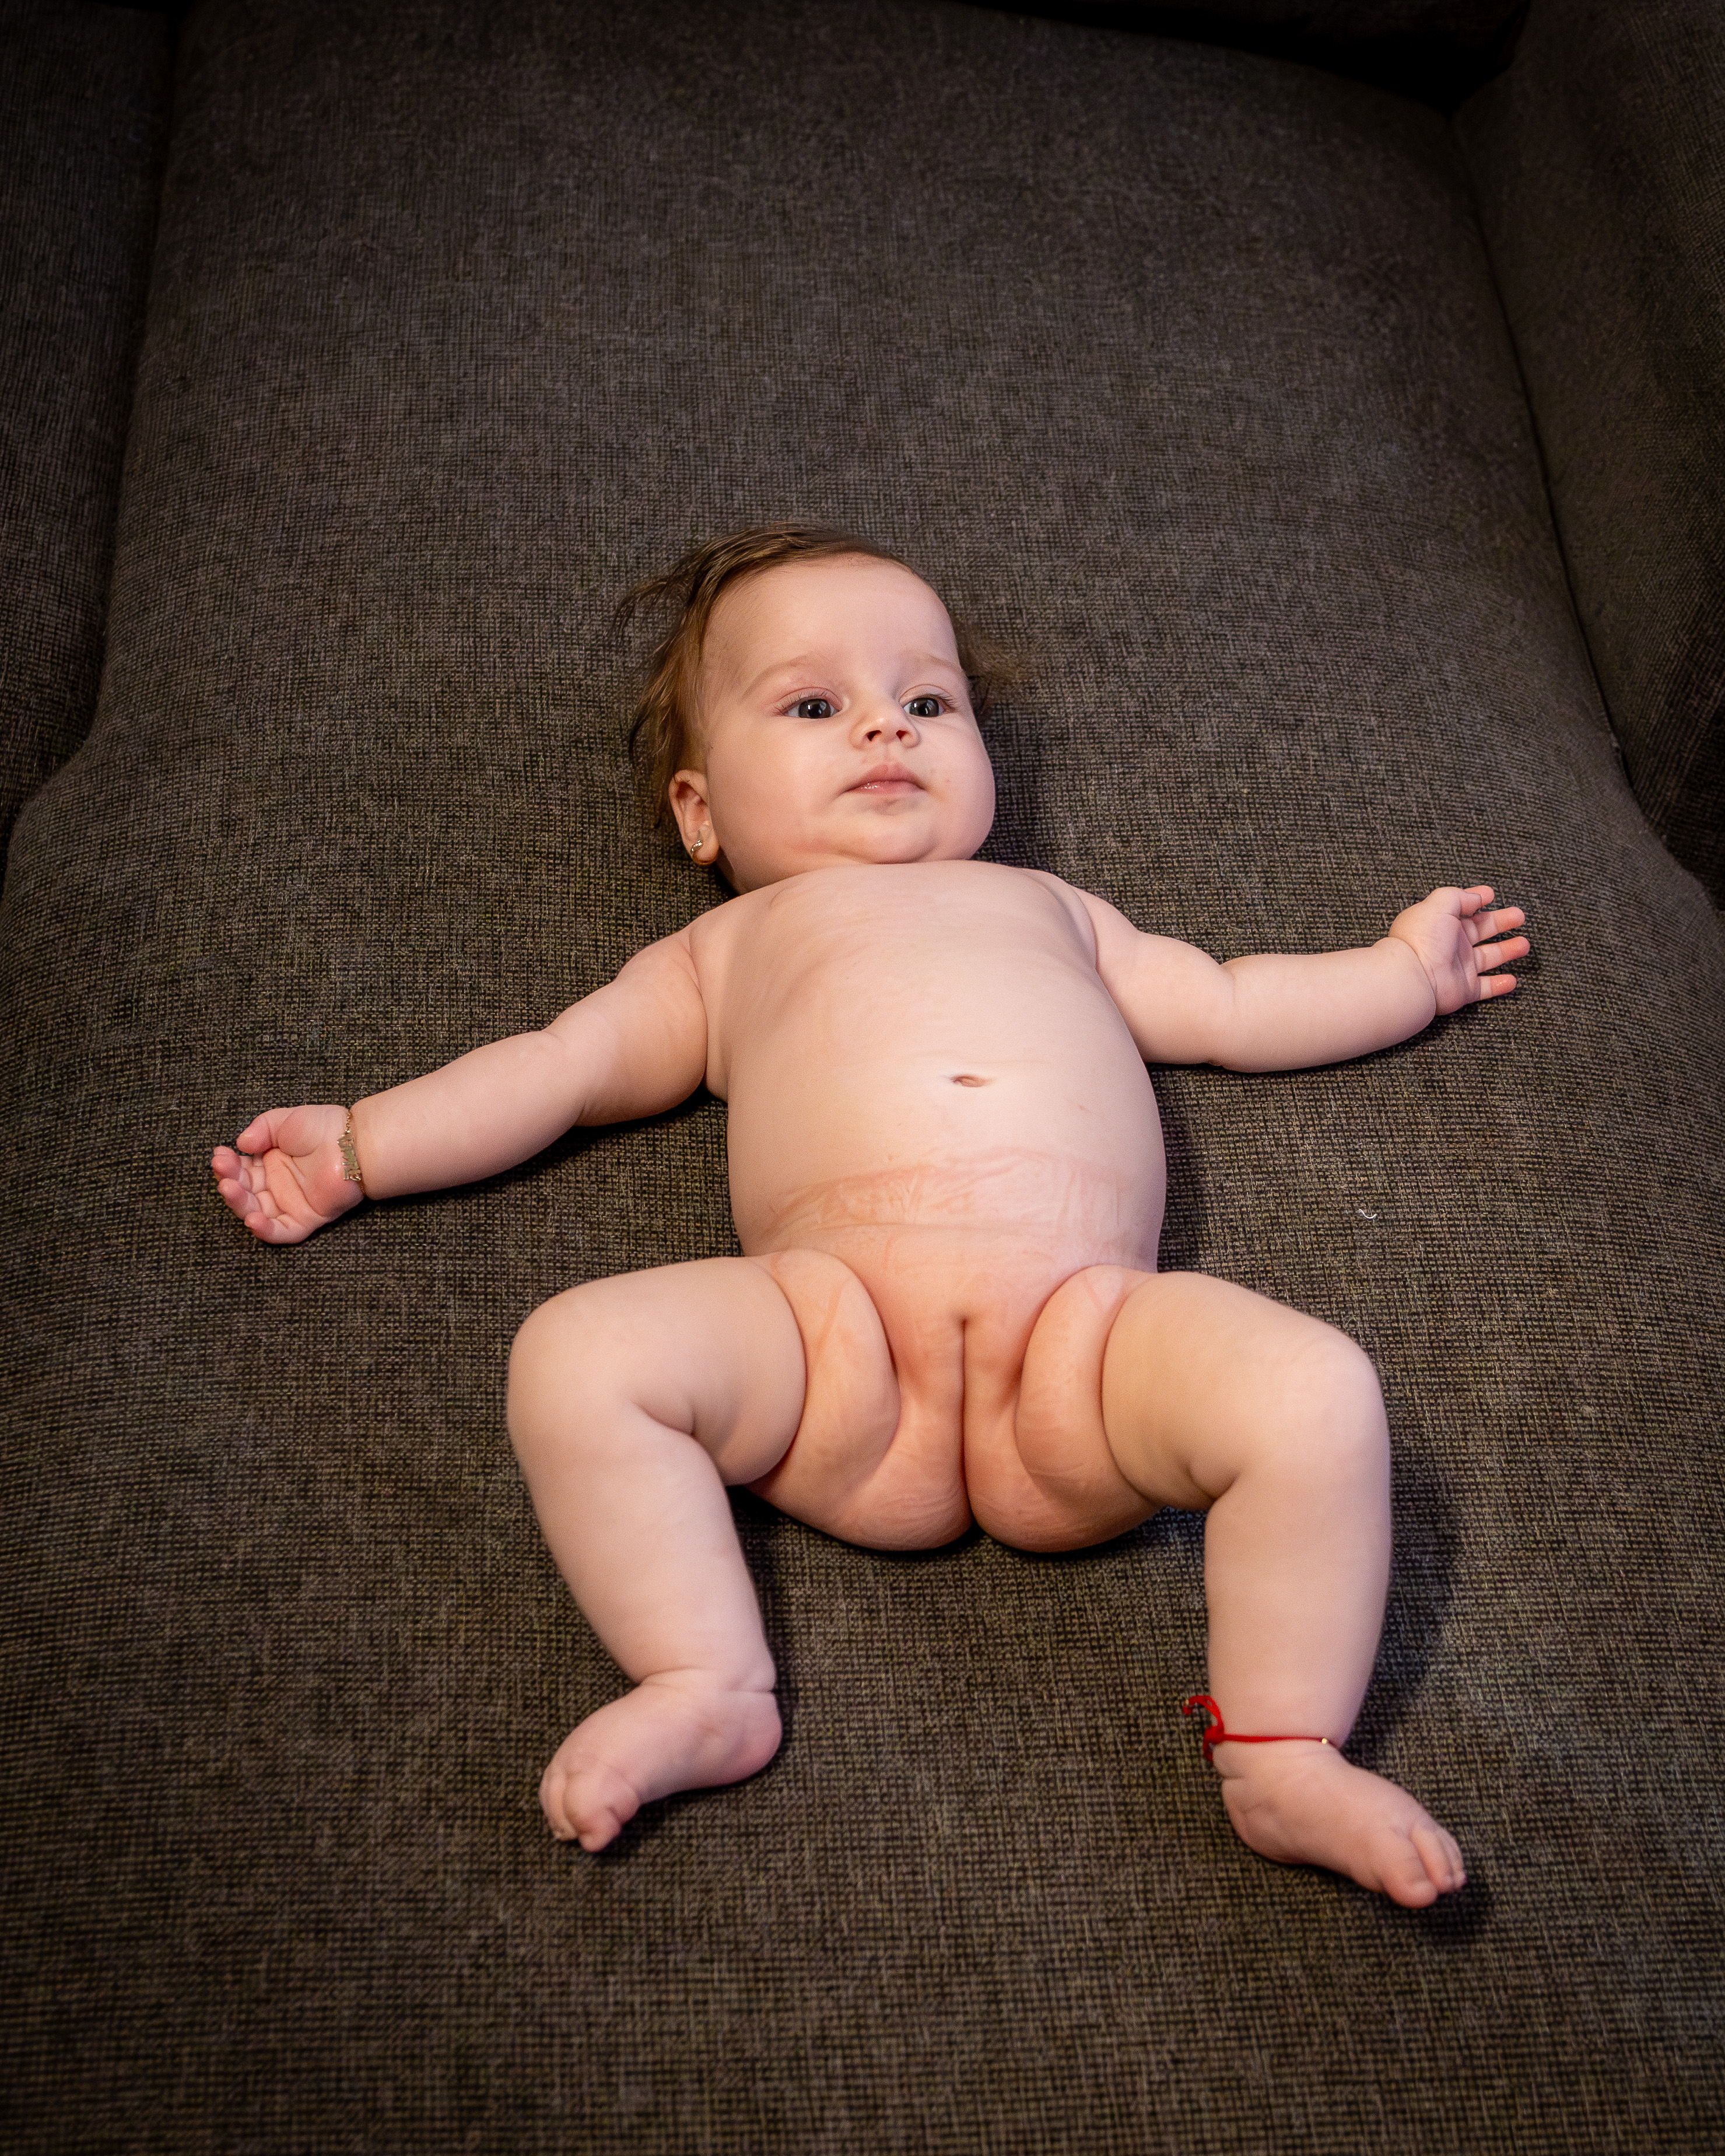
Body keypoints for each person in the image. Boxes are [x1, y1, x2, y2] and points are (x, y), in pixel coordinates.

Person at [212, 524, 1528, 1907]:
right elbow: (557, 1070)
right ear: (701, 813)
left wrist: (1405, 974)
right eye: (811, 705)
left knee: (1316, 1394)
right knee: (574, 1356)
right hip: (832, 1352)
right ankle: (703, 1677)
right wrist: (363, 1145)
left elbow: (1238, 1002)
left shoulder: (1057, 911)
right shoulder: (724, 951)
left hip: (1087, 1350)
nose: (885, 726)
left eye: (928, 699)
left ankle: (1284, 1753)